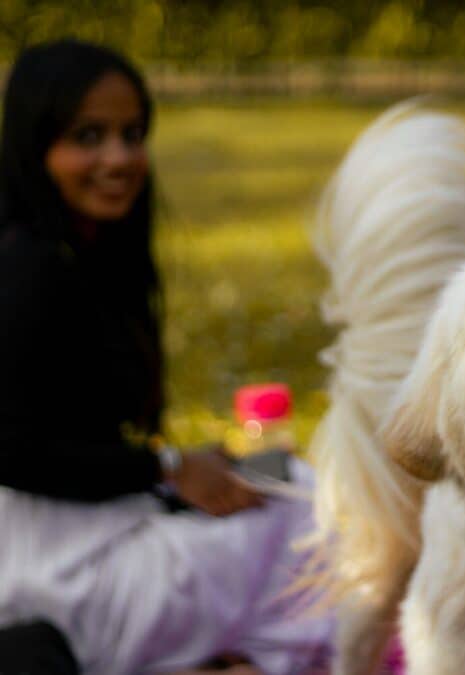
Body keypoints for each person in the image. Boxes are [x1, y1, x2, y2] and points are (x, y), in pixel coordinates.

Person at [0, 40, 333, 674]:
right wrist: (170, 466)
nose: (118, 158)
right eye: (88, 136)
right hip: (58, 573)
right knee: (315, 517)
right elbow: (12, 451)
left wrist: (181, 470)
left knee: (287, 475)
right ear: (34, 144)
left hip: (95, 527)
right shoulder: (26, 268)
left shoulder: (78, 257)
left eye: (132, 135)